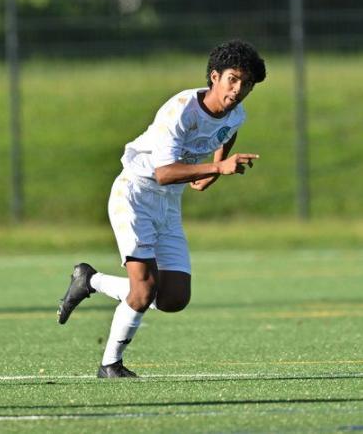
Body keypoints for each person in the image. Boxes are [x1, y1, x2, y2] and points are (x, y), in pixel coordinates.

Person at [56, 40, 266, 378]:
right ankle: (110, 364)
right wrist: (218, 168)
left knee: (174, 298)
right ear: (214, 76)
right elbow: (163, 173)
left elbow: (227, 132)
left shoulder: (236, 112)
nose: (238, 90)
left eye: (247, 84)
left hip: (169, 204)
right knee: (143, 290)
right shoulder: (180, 110)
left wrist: (215, 165)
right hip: (135, 196)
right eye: (233, 79)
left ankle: (90, 280)